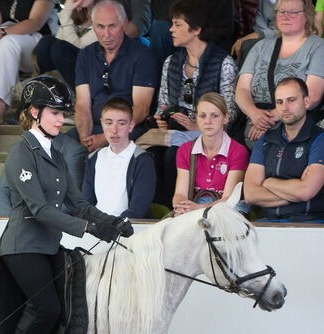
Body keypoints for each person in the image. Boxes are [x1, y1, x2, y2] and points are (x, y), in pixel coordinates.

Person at [0, 75, 133, 334]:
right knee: (47, 309)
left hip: (49, 247)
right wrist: (88, 229)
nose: (62, 120)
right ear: (34, 112)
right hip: (23, 247)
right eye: (55, 113)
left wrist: (108, 221)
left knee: (76, 302)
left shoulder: (56, 153)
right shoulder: (20, 155)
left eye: (63, 114)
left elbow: (76, 202)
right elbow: (40, 210)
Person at [234, 0, 324, 147]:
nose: (286, 16)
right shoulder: (260, 46)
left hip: (292, 121)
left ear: (307, 16)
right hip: (253, 118)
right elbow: (242, 89)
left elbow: (312, 96)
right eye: (281, 11)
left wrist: (269, 119)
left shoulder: (319, 47)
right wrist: (255, 114)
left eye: (293, 12)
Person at [243, 76, 324, 223]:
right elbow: (250, 194)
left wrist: (268, 183)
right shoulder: (265, 140)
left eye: (291, 100)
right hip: (270, 222)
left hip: (311, 223)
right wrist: (295, 192)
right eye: (279, 102)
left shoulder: (322, 139)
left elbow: (305, 191)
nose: (284, 107)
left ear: (306, 102)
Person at [148, 0, 238, 149]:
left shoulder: (224, 63)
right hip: (175, 132)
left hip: (209, 133)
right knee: (151, 152)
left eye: (177, 24)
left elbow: (230, 113)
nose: (171, 29)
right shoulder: (171, 62)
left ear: (196, 29)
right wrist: (161, 119)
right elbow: (163, 104)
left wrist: (197, 126)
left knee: (175, 153)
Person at [73, 0, 157, 152]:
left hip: (129, 128)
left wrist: (105, 138)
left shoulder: (142, 55)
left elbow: (141, 108)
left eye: (112, 26)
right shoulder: (85, 55)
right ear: (93, 25)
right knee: (63, 149)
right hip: (94, 126)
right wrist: (85, 138)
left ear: (124, 23)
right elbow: (82, 104)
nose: (107, 34)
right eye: (100, 27)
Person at [0, 0, 55, 124]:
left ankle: (1, 104)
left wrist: (1, 33)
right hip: (3, 35)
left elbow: (34, 23)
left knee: (7, 42)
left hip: (35, 42)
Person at [172, 92, 249, 214]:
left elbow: (229, 199)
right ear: (196, 118)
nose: (208, 121)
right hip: (194, 204)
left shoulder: (238, 151)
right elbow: (180, 193)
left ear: (226, 118)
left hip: (225, 209)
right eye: (202, 116)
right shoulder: (185, 150)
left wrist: (198, 209)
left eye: (214, 116)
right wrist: (182, 207)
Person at [82, 98, 154, 218]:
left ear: (131, 126)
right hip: (97, 228)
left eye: (121, 123)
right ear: (102, 123)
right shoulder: (93, 158)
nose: (114, 130)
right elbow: (86, 202)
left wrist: (112, 227)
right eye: (109, 123)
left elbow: (138, 209)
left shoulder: (143, 160)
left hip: (130, 229)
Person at [33, 0, 96, 89]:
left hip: (89, 69)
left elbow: (74, 48)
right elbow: (58, 41)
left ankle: (72, 93)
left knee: (59, 48)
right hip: (65, 69)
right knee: (47, 42)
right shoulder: (75, 15)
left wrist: (66, 14)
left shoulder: (103, 17)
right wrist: (68, 14)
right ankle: (45, 87)